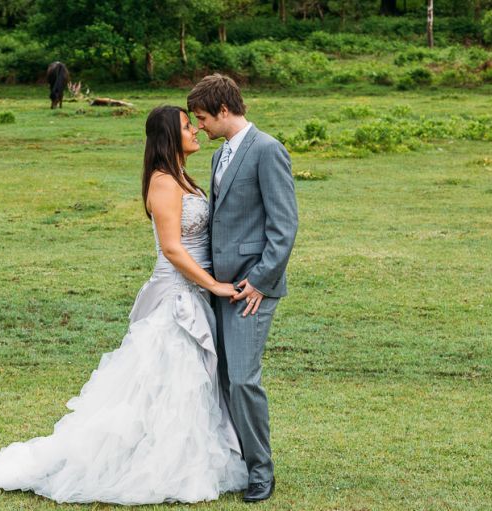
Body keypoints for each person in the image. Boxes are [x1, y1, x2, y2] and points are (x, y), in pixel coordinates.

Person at [0, 105, 248, 504]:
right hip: (177, 293)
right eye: (188, 126)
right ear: (170, 136)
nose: (195, 132)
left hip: (194, 292)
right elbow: (172, 248)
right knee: (171, 376)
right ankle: (154, 464)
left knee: (187, 380)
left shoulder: (181, 178)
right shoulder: (163, 183)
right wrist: (215, 285)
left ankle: (180, 456)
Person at [187, 74, 299, 503]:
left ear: (224, 110)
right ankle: (236, 458)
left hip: (252, 288)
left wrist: (260, 280)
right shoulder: (219, 158)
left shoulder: (268, 150)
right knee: (224, 376)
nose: (199, 127)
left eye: (202, 118)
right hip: (220, 287)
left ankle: (261, 472)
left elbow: (284, 225)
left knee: (243, 381)